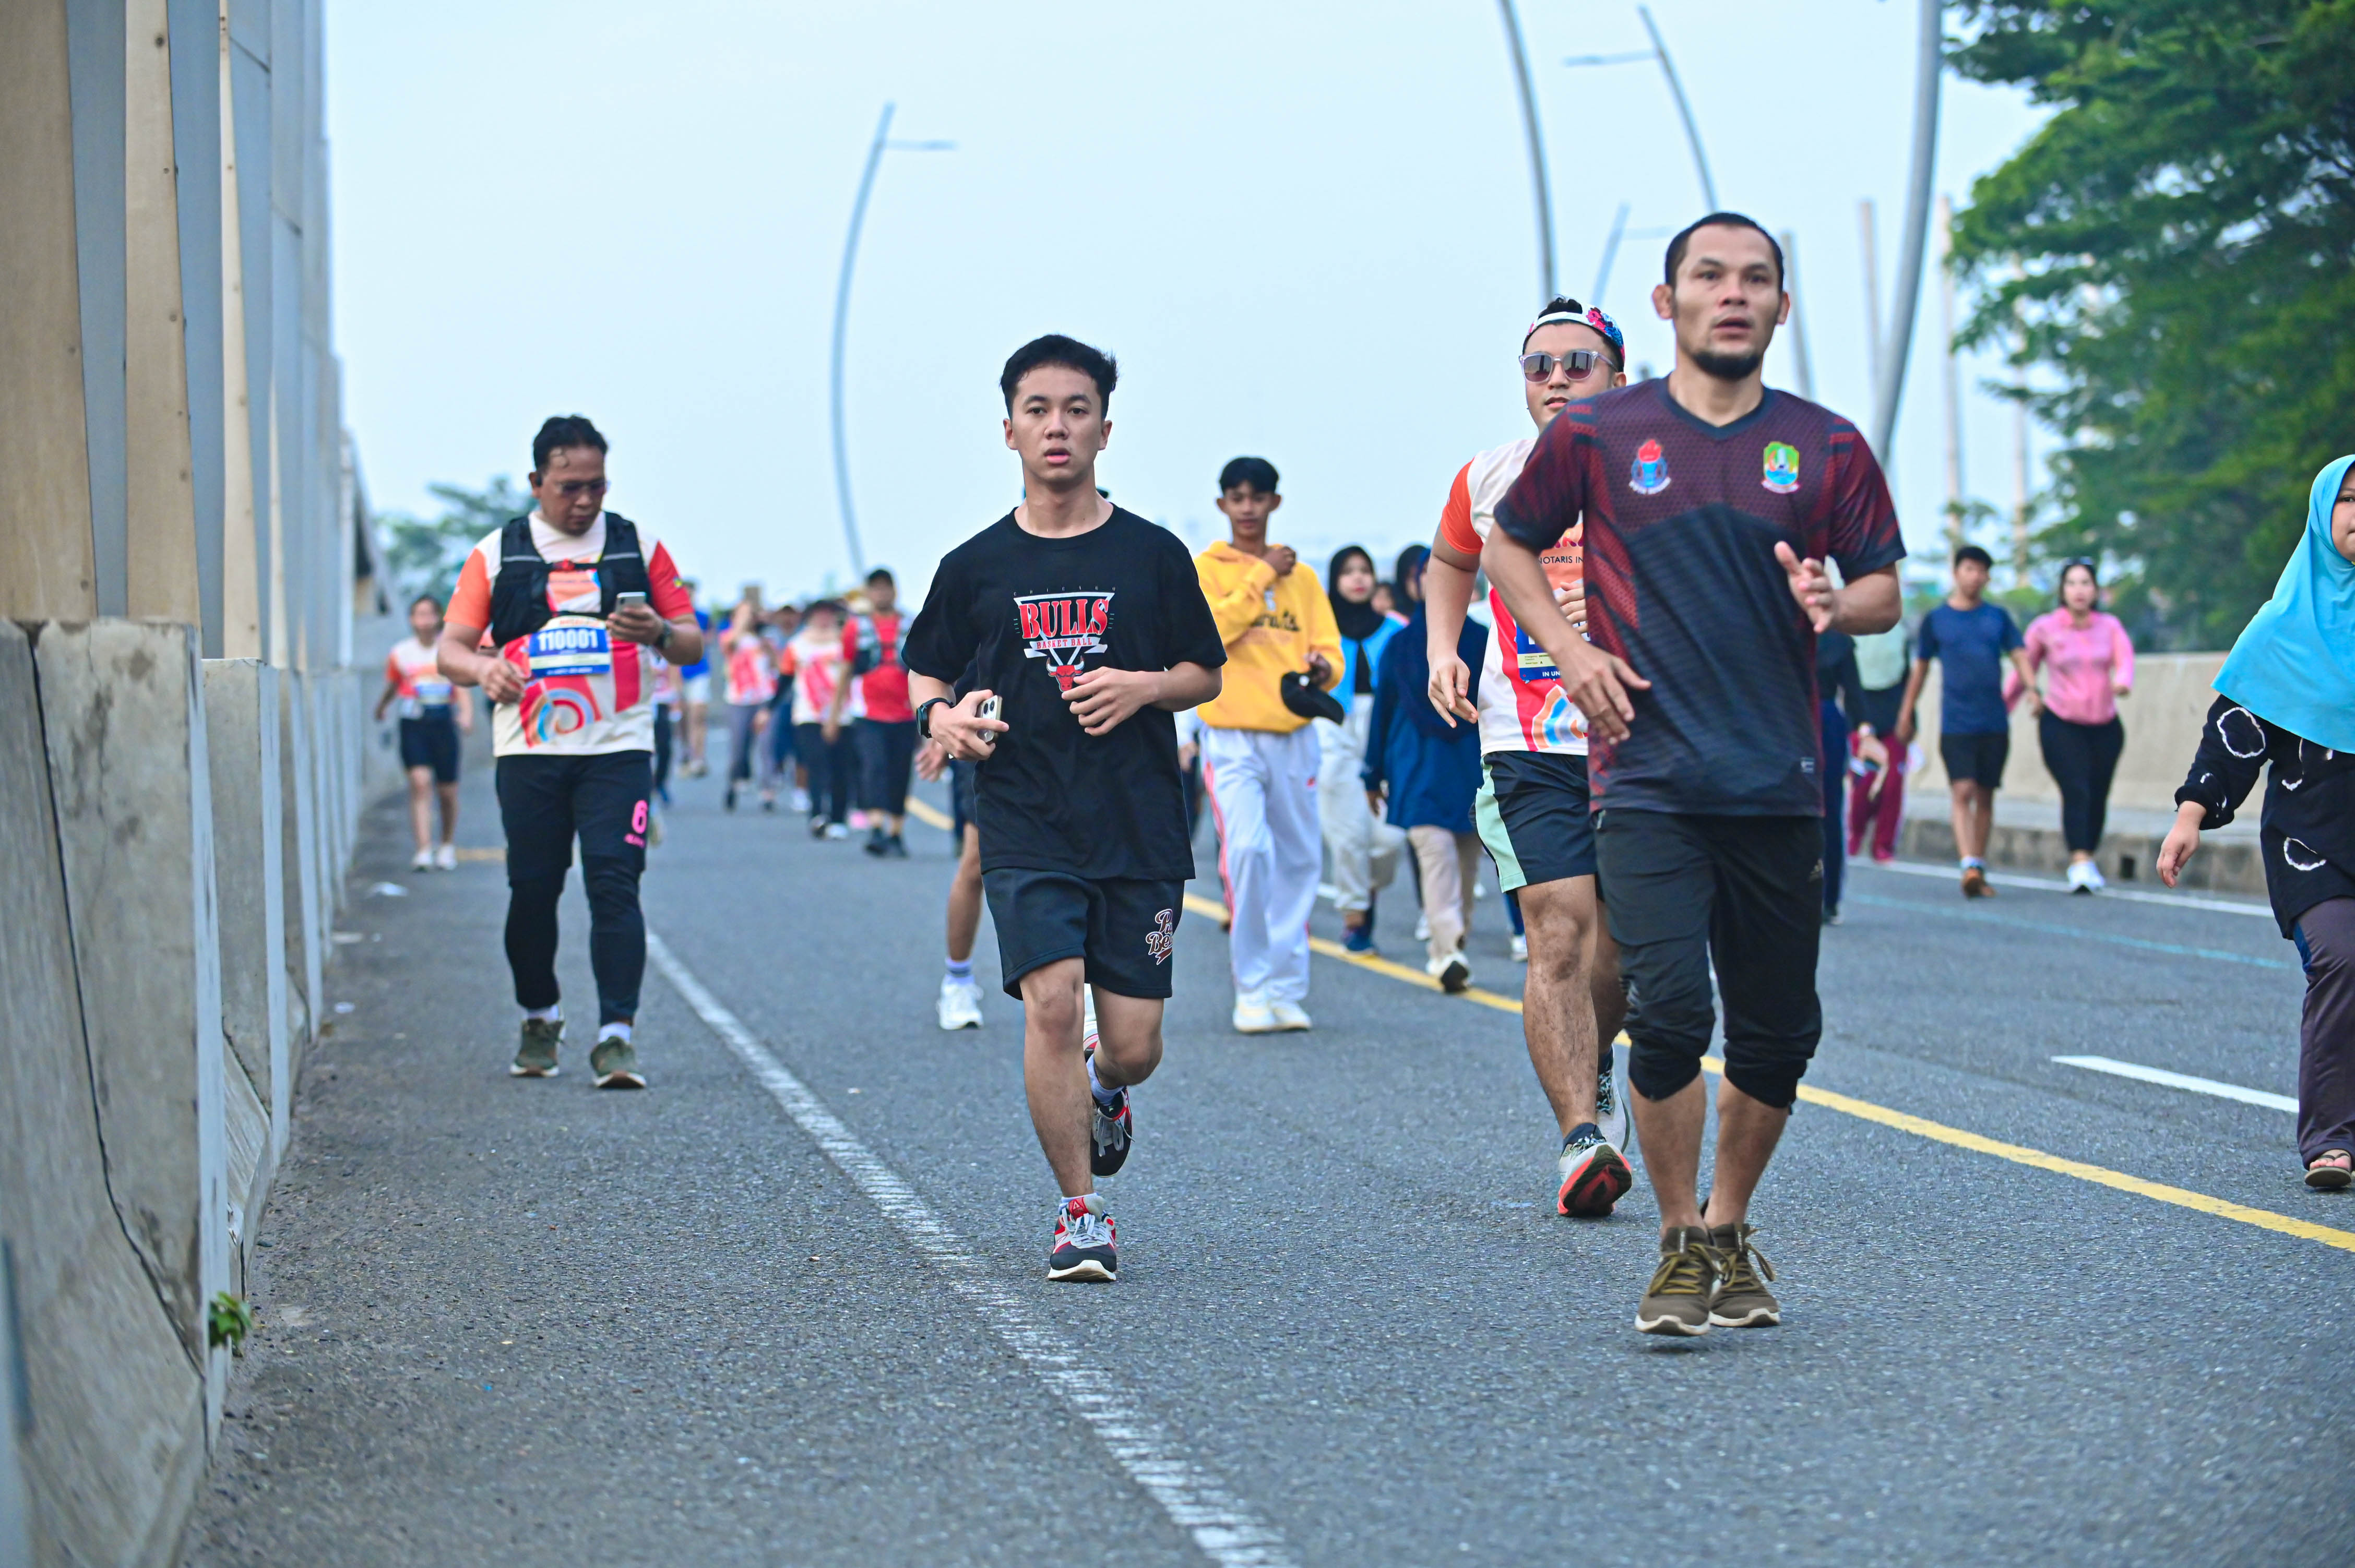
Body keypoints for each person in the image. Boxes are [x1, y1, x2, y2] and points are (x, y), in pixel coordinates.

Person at [1485, 214, 1904, 1335]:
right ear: (1667, 303)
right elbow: (1505, 544)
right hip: (1646, 776)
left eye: (1755, 278)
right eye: (1709, 276)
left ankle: (1726, 1223)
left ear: (1780, 305)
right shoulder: (1600, 433)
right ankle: (1677, 1239)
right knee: (1670, 1008)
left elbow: (1882, 590)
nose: (1733, 293)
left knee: (1777, 1033)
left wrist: (1837, 604)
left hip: (1774, 779)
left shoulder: (1825, 443)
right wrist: (1571, 654)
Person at [902, 333, 1224, 1283]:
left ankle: (1103, 1085)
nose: (1057, 426)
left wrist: (1142, 687)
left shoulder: (1153, 554)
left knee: (1135, 1046)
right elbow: (925, 669)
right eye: (1037, 409)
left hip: (1137, 823)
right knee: (1050, 1002)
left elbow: (1204, 673)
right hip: (1024, 817)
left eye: (1076, 409)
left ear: (1104, 430)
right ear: (1008, 430)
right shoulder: (974, 565)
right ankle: (1080, 1213)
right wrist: (942, 718)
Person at [1425, 295, 1635, 1215]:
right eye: (1538, 365)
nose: (1556, 379)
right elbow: (1450, 562)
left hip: (1636, 739)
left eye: (1577, 363)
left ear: (1618, 377)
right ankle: (1579, 1137)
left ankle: (1598, 1059)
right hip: (1527, 738)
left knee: (1620, 955)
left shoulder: (1661, 471)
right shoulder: (1489, 476)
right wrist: (1444, 648)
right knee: (1556, 929)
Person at [437, 414, 702, 1088]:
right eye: (569, 487)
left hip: (618, 745)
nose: (584, 501)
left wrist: (657, 631)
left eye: (597, 486)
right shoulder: (497, 553)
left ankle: (617, 1036)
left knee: (615, 882)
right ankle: (539, 1015)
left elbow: (691, 643)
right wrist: (483, 670)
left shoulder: (638, 546)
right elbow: (450, 649)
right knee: (533, 888)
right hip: (530, 749)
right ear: (537, 482)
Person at [2159, 455, 2355, 1191]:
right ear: (2322, 515)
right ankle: (2331, 1139)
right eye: (2349, 500)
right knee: (2342, 959)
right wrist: (2191, 813)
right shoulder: (2282, 629)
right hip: (2313, 840)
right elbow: (2235, 733)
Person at [1192, 457, 1344, 1034]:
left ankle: (1285, 988)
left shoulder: (1302, 580)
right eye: (1237, 497)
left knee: (1301, 861)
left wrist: (1323, 669)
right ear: (1223, 505)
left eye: (1258, 497)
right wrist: (1260, 576)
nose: (1248, 508)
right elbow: (1209, 633)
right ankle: (1251, 988)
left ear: (1275, 502)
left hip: (1294, 736)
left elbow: (1331, 652)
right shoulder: (1207, 570)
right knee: (1249, 851)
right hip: (1232, 736)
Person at [1365, 552, 1486, 991]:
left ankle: (1452, 944)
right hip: (1420, 767)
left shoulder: (1482, 640)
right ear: (1413, 584)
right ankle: (1447, 951)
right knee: (1439, 858)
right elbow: (1382, 711)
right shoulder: (1403, 644)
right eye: (1426, 576)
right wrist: (1372, 773)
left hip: (1464, 768)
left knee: (1465, 864)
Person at [1896, 545, 2039, 897]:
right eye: (1969, 569)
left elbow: (2020, 654)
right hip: (1956, 723)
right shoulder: (1937, 620)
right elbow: (1920, 669)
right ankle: (1968, 865)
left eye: (1981, 571)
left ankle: (1978, 864)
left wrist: (2033, 690)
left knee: (1986, 795)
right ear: (1956, 572)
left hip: (1994, 721)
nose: (1975, 576)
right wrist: (1906, 711)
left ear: (1988, 577)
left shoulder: (1998, 617)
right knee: (1962, 791)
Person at [2017, 559, 2135, 892]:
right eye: (2072, 583)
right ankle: (2080, 861)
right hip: (2061, 723)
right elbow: (2023, 668)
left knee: (2098, 793)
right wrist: (2007, 704)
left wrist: (2123, 681)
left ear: (2095, 590)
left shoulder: (2109, 626)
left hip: (2105, 726)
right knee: (2076, 788)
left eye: (2086, 583)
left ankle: (2088, 857)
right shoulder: (2045, 628)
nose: (2079, 590)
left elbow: (2125, 658)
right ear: (2062, 590)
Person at [1319, 546, 1405, 953]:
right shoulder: (1320, 631)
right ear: (1335, 580)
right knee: (1347, 835)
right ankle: (1355, 919)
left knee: (1389, 838)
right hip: (1332, 729)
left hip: (1383, 731)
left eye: (1365, 570)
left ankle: (1367, 889)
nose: (1358, 578)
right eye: (1348, 571)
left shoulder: (1397, 630)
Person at [377, 592, 474, 871]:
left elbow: (461, 686)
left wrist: (466, 715)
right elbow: (393, 685)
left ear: (438, 618)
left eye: (430, 614)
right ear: (411, 619)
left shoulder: (449, 650)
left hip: (443, 723)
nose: (425, 621)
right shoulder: (401, 653)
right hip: (414, 724)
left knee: (447, 791)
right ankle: (423, 849)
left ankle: (446, 845)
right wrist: (382, 707)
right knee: (420, 783)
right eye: (419, 615)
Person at [831, 567, 918, 858]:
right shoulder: (856, 628)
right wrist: (834, 715)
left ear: (895, 591)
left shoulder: (911, 625)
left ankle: (896, 831)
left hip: (905, 714)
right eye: (876, 589)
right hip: (868, 714)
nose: (882, 594)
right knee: (873, 768)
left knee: (900, 772)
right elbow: (845, 670)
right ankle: (877, 827)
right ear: (868, 594)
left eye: (886, 588)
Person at [919, 734, 989, 1030]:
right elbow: (935, 700)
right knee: (976, 862)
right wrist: (937, 727)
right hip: (989, 738)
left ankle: (1087, 987)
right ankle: (958, 981)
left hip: (1067, 741)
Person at [782, 601, 853, 837]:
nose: (823, 620)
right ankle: (817, 814)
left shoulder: (846, 643)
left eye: (828, 615)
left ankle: (839, 818)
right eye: (819, 615)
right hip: (808, 715)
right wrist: (769, 710)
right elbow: (785, 679)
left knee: (840, 768)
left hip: (843, 715)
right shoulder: (797, 645)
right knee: (816, 763)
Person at [1816, 629, 1869, 924]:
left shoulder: (1777, 622)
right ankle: (1828, 897)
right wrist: (1864, 730)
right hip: (1823, 721)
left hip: (1790, 719)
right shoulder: (1837, 637)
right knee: (1829, 811)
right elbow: (1854, 692)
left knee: (1821, 810)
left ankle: (1823, 895)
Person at [1845, 625, 1909, 863]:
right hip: (1862, 718)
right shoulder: (1850, 632)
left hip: (1894, 717)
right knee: (1863, 783)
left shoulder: (1899, 633)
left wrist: (1908, 718)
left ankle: (1884, 845)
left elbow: (1908, 679)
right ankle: (1854, 836)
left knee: (1892, 784)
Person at [720, 604, 780, 812]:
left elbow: (777, 666)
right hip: (739, 699)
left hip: (764, 698)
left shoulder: (764, 639)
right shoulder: (730, 636)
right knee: (739, 748)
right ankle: (734, 783)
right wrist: (741, 621)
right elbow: (729, 646)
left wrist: (768, 646)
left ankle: (768, 791)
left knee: (767, 745)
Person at [674, 584, 713, 776]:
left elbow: (709, 639)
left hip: (699, 672)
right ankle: (686, 752)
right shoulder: (673, 617)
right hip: (678, 672)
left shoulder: (703, 617)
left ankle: (699, 757)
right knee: (682, 716)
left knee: (698, 715)